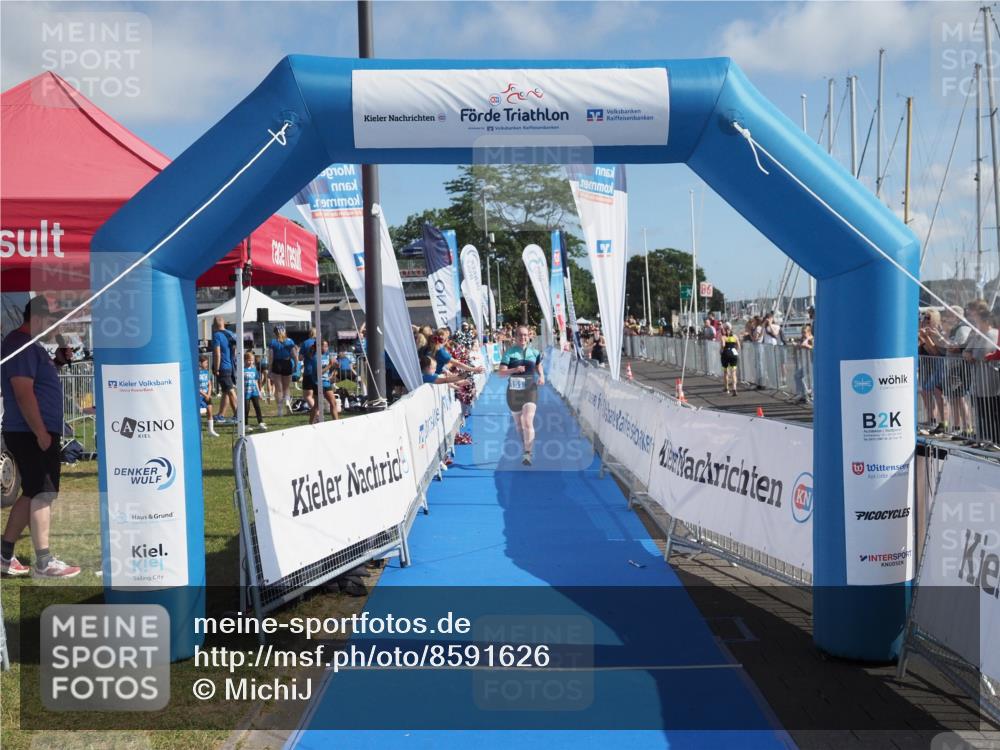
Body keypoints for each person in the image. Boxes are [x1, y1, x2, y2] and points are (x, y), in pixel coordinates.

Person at [0, 297, 81, 578]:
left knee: (33, 491)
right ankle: (44, 561)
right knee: (43, 493)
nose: (54, 327)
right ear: (38, 318)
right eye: (51, 321)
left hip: (30, 431)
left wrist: (57, 361)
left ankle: (4, 556)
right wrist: (40, 432)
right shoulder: (21, 345)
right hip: (30, 432)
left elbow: (37, 384)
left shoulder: (29, 346)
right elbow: (23, 393)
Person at [499, 325, 546, 465]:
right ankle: (526, 445)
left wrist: (541, 375)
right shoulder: (509, 353)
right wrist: (514, 369)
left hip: (530, 390)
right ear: (515, 336)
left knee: (527, 421)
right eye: (520, 335)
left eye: (525, 335)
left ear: (529, 336)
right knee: (519, 425)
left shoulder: (535, 352)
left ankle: (527, 453)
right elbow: (501, 373)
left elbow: (538, 365)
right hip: (514, 392)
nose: (523, 337)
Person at [211, 316, 238, 422]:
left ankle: (239, 415)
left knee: (230, 390)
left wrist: (216, 368)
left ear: (214, 325)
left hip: (222, 367)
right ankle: (221, 415)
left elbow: (217, 353)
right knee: (225, 391)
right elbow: (234, 350)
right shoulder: (231, 334)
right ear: (224, 323)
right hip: (230, 365)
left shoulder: (216, 335)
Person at [268, 324, 296, 417]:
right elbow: (294, 355)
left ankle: (280, 410)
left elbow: (271, 357)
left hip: (277, 364)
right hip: (287, 363)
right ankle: (287, 401)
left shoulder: (273, 342)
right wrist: (296, 365)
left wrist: (269, 369)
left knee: (279, 389)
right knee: (286, 387)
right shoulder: (290, 341)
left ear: (275, 333)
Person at [310, 340, 341, 423]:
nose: (326, 348)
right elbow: (318, 373)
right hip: (317, 383)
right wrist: (330, 365)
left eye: (327, 346)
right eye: (325, 346)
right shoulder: (316, 357)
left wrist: (335, 365)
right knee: (317, 406)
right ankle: (310, 423)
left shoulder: (327, 355)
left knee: (333, 402)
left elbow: (330, 367)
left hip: (326, 382)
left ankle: (336, 423)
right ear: (319, 346)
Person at [243, 351, 267, 431]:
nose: (251, 362)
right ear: (245, 360)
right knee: (246, 409)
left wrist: (259, 391)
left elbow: (256, 381)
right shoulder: (242, 370)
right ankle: (245, 424)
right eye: (249, 360)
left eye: (252, 360)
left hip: (254, 392)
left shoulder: (254, 369)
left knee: (257, 407)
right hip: (246, 393)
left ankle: (260, 422)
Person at [198, 354, 220, 437]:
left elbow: (209, 384)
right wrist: (204, 395)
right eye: (205, 363)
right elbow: (196, 387)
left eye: (207, 363)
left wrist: (209, 394)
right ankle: (199, 431)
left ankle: (211, 430)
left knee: (210, 412)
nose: (207, 364)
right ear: (200, 363)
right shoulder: (196, 373)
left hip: (207, 396)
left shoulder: (207, 373)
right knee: (200, 413)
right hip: (200, 396)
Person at [719, 322, 740, 396]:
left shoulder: (723, 337)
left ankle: (726, 388)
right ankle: (734, 388)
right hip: (733, 354)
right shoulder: (735, 336)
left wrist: (721, 350)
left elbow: (723, 345)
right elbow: (738, 346)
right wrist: (735, 351)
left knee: (726, 371)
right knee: (734, 372)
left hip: (726, 354)